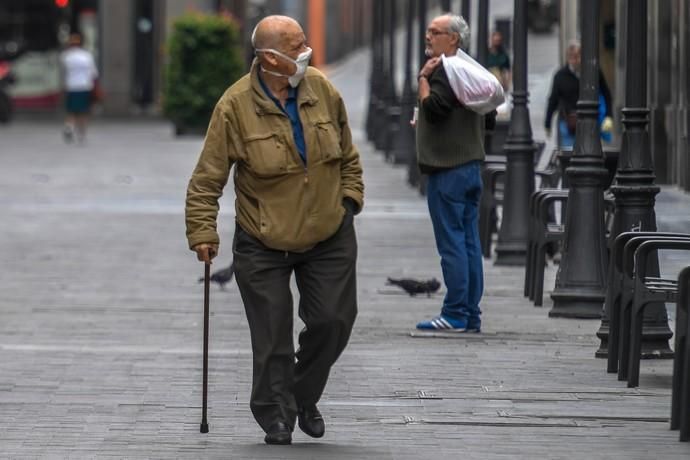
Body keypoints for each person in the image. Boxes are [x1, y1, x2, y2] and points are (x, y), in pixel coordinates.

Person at [185, 15, 364, 445]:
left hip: (328, 231)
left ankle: (302, 395)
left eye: (304, 42)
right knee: (272, 337)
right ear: (269, 57)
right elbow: (207, 179)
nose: (306, 52)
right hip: (263, 238)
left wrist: (349, 201)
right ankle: (275, 413)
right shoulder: (234, 106)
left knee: (333, 321)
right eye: (296, 46)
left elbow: (348, 155)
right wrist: (202, 233)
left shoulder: (321, 88)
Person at [414, 13, 484, 333]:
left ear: (453, 38)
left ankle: (455, 313)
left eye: (435, 32)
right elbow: (490, 115)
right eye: (428, 31)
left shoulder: (444, 71)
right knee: (469, 242)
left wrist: (423, 80)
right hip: (470, 167)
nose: (428, 37)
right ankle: (470, 314)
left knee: (452, 243)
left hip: (447, 169)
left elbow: (436, 109)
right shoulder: (470, 70)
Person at [545, 41, 613, 148]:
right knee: (568, 153)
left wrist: (608, 116)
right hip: (568, 122)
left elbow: (606, 94)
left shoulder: (594, 72)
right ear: (568, 58)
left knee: (589, 152)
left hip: (590, 122)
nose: (575, 60)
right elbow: (553, 100)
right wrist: (547, 123)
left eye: (577, 56)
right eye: (571, 57)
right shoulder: (560, 76)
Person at [60, 33, 98, 143]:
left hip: (71, 86)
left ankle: (69, 126)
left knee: (71, 110)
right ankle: (82, 133)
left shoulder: (65, 56)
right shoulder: (87, 56)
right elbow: (94, 73)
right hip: (84, 86)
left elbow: (63, 72)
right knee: (83, 111)